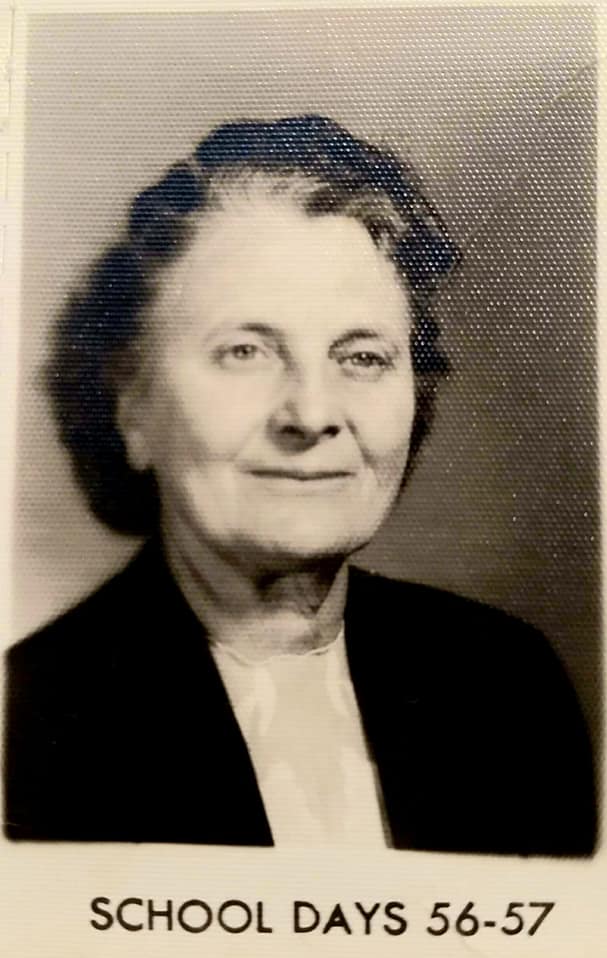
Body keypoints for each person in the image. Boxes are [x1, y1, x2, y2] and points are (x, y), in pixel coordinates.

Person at [4, 116, 596, 853]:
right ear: (133, 404)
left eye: (362, 357)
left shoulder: (507, 687)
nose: (312, 415)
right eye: (245, 351)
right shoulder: (27, 724)